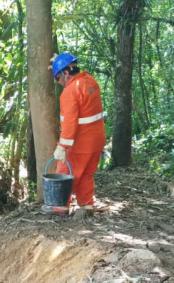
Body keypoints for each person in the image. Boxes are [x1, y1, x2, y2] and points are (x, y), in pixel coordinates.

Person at [44, 52, 107, 217]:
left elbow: (70, 123)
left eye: (57, 78)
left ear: (65, 73)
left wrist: (62, 147)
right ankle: (86, 206)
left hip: (81, 142)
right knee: (86, 173)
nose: (58, 83)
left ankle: (59, 207)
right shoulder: (90, 81)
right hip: (97, 139)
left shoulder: (70, 91)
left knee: (64, 170)